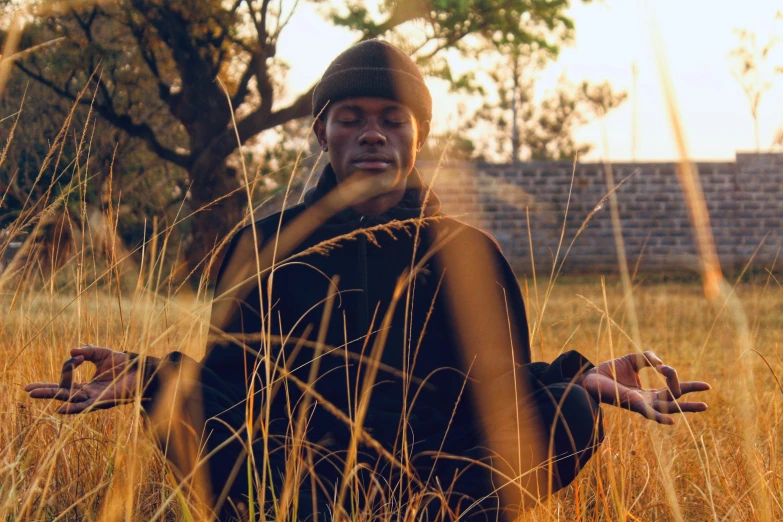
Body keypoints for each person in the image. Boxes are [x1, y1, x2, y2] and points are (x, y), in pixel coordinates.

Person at [24, 40, 711, 521]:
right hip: (294, 484)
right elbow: (234, 385)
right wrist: (150, 377)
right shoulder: (263, 245)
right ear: (322, 132)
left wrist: (576, 378)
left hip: (440, 485)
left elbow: (492, 395)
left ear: (418, 137)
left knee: (572, 415)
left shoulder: (470, 253)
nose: (372, 133)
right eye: (351, 118)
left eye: (392, 119)